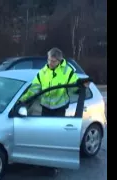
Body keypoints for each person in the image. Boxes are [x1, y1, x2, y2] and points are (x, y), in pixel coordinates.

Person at [19, 47, 89, 176]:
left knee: (56, 137)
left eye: (53, 61)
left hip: (59, 108)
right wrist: (22, 100)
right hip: (46, 107)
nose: (50, 63)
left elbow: (74, 88)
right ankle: (44, 162)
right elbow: (34, 88)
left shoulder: (68, 72)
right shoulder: (43, 72)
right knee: (45, 136)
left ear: (59, 60)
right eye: (49, 60)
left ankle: (55, 165)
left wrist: (80, 87)